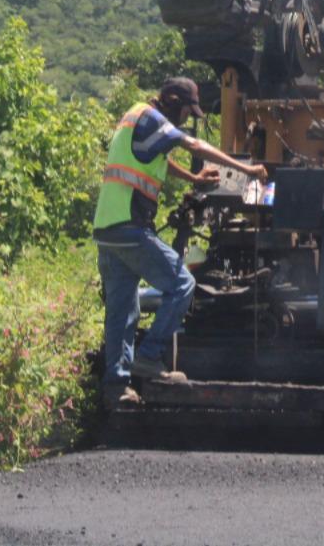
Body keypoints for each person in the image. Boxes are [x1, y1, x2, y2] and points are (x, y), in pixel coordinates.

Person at [93, 77, 266, 409]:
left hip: (107, 230)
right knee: (182, 285)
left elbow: (158, 159)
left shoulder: (135, 115)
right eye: (187, 110)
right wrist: (245, 169)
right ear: (173, 100)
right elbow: (196, 147)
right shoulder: (152, 118)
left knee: (123, 309)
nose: (187, 117)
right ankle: (149, 356)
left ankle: (115, 389)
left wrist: (194, 178)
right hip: (130, 227)